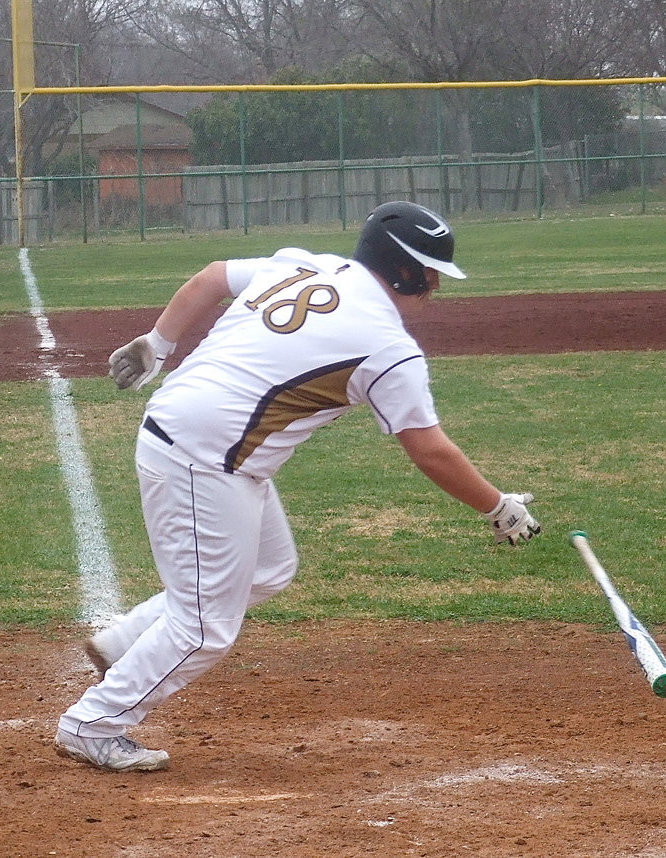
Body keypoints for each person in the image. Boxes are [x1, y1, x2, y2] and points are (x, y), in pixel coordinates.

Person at [53, 200, 541, 773]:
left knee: (267, 570)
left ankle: (125, 643)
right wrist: (496, 506)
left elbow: (212, 277)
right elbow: (429, 449)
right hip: (206, 456)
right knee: (206, 628)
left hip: (201, 442)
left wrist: (158, 343)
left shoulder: (305, 265)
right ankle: (93, 723)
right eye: (431, 272)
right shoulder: (388, 345)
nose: (436, 286)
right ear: (405, 270)